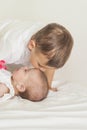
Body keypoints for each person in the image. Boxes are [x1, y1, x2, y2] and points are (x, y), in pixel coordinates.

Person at [0, 21, 73, 90]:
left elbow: (50, 67)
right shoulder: (12, 46)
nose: (42, 70)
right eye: (40, 65)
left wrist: (47, 87)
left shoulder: (45, 46)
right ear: (31, 45)